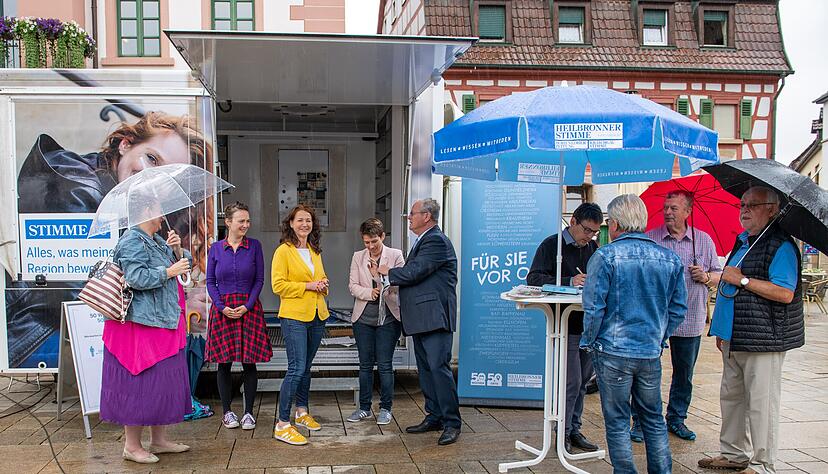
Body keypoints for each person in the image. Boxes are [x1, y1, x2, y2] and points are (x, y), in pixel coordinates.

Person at [7, 112, 213, 369]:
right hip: (39, 338)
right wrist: (177, 300)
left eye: (167, 177)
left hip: (99, 329)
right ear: (126, 144)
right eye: (151, 158)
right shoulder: (77, 185)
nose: (151, 176)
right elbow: (100, 289)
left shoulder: (139, 209)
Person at [699, 186, 803, 474]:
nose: (744, 210)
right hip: (734, 335)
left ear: (772, 209)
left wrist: (743, 280)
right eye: (742, 204)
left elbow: (784, 293)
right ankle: (733, 454)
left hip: (764, 338)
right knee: (732, 398)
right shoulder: (745, 241)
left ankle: (762, 463)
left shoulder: (780, 245)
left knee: (761, 404)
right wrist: (721, 329)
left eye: (752, 205)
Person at [581, 194, 687, 474]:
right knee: (653, 419)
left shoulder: (604, 256)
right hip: (649, 351)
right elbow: (678, 309)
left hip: (613, 350)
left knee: (617, 421)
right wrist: (660, 336)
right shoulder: (670, 258)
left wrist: (589, 341)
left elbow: (593, 306)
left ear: (614, 223)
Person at [100, 203, 193, 464]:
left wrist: (176, 250)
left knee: (159, 383)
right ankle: (131, 445)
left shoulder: (156, 240)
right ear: (146, 212)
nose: (163, 215)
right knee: (138, 384)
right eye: (159, 208)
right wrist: (168, 271)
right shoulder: (131, 240)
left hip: (161, 323)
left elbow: (184, 266)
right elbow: (136, 278)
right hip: (139, 327)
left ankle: (159, 440)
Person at [629, 190, 722, 442]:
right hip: (654, 320)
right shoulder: (650, 240)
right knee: (645, 373)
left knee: (684, 374)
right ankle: (640, 421)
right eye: (666, 207)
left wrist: (705, 277)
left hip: (691, 317)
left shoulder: (702, 241)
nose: (668, 212)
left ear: (688, 212)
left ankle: (676, 419)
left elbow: (718, 274)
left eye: (674, 208)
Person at [377, 198, 461, 446]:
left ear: (427, 216)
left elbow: (415, 272)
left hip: (435, 317)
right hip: (423, 318)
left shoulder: (435, 240)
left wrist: (386, 272)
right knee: (426, 370)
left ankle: (452, 423)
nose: (408, 217)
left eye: (411, 213)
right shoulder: (424, 240)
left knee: (438, 369)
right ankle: (434, 416)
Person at [526, 202, 603, 453]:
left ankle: (574, 428)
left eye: (594, 232)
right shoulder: (551, 245)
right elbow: (534, 279)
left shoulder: (592, 247)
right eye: (587, 230)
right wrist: (570, 281)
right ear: (573, 222)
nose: (589, 237)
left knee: (582, 382)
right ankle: (563, 432)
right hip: (564, 323)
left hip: (588, 324)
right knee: (571, 382)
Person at [205, 202, 272, 431]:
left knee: (249, 363)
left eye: (247, 221)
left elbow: (259, 280)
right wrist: (221, 306)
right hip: (223, 309)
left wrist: (248, 305)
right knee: (223, 363)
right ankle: (227, 412)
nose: (246, 225)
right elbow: (210, 281)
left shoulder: (254, 246)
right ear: (229, 222)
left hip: (248, 309)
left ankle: (248, 414)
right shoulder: (216, 248)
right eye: (241, 221)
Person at [271, 205, 330, 446]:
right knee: (296, 368)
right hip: (294, 316)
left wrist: (324, 283)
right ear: (291, 224)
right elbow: (278, 286)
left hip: (317, 314)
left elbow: (322, 280)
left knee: (306, 367)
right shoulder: (283, 251)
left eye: (308, 220)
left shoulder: (314, 251)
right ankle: (282, 424)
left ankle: (302, 412)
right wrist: (308, 286)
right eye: (300, 220)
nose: (305, 224)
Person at [347, 218, 405, 425]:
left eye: (374, 242)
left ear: (382, 237)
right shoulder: (358, 257)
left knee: (385, 365)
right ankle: (364, 408)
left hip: (388, 319)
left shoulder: (395, 255)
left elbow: (400, 286)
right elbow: (352, 286)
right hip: (363, 318)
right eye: (366, 243)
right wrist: (369, 292)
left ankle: (386, 409)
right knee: (364, 365)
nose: (370, 247)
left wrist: (380, 276)